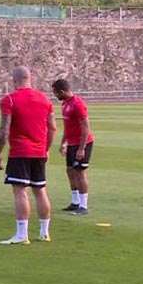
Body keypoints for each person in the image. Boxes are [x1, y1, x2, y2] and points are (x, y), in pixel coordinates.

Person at [0, 66, 57, 245]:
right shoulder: (45, 99)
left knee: (20, 191)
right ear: (31, 78)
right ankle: (44, 232)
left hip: (20, 152)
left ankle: (22, 235)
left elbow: (4, 129)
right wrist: (46, 149)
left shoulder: (10, 100)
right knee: (40, 190)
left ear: (14, 80)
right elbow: (52, 127)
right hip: (39, 152)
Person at [52, 79, 94, 216]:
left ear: (62, 92)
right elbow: (67, 127)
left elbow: (86, 127)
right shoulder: (65, 104)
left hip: (82, 143)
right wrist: (64, 143)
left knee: (80, 172)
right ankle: (75, 202)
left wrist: (82, 148)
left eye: (56, 93)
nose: (55, 96)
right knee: (70, 171)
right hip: (71, 143)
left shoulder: (78, 104)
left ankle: (84, 205)